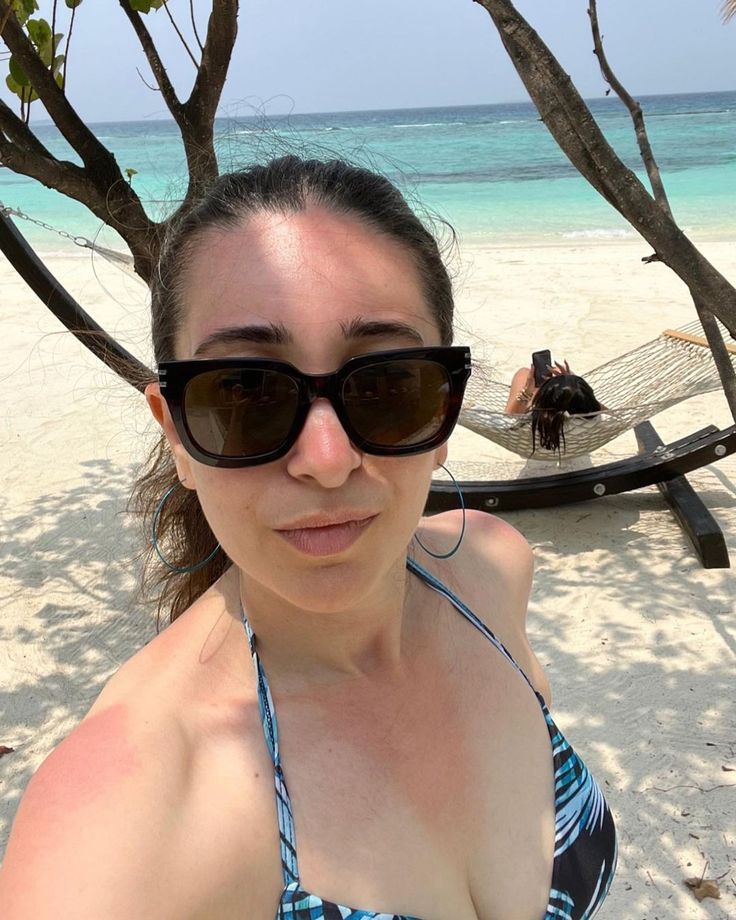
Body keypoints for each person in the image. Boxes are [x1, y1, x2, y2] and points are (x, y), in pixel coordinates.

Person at [0, 157, 616, 920]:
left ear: (446, 413)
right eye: (245, 393)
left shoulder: (493, 569)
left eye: (387, 386)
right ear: (179, 438)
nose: (327, 462)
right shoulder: (126, 821)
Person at [505, 360, 604, 454]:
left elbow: (510, 416)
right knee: (565, 378)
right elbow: (612, 414)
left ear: (546, 399)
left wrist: (528, 392)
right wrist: (572, 383)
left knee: (523, 373)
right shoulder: (594, 419)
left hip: (540, 460)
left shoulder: (534, 425)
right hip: (579, 458)